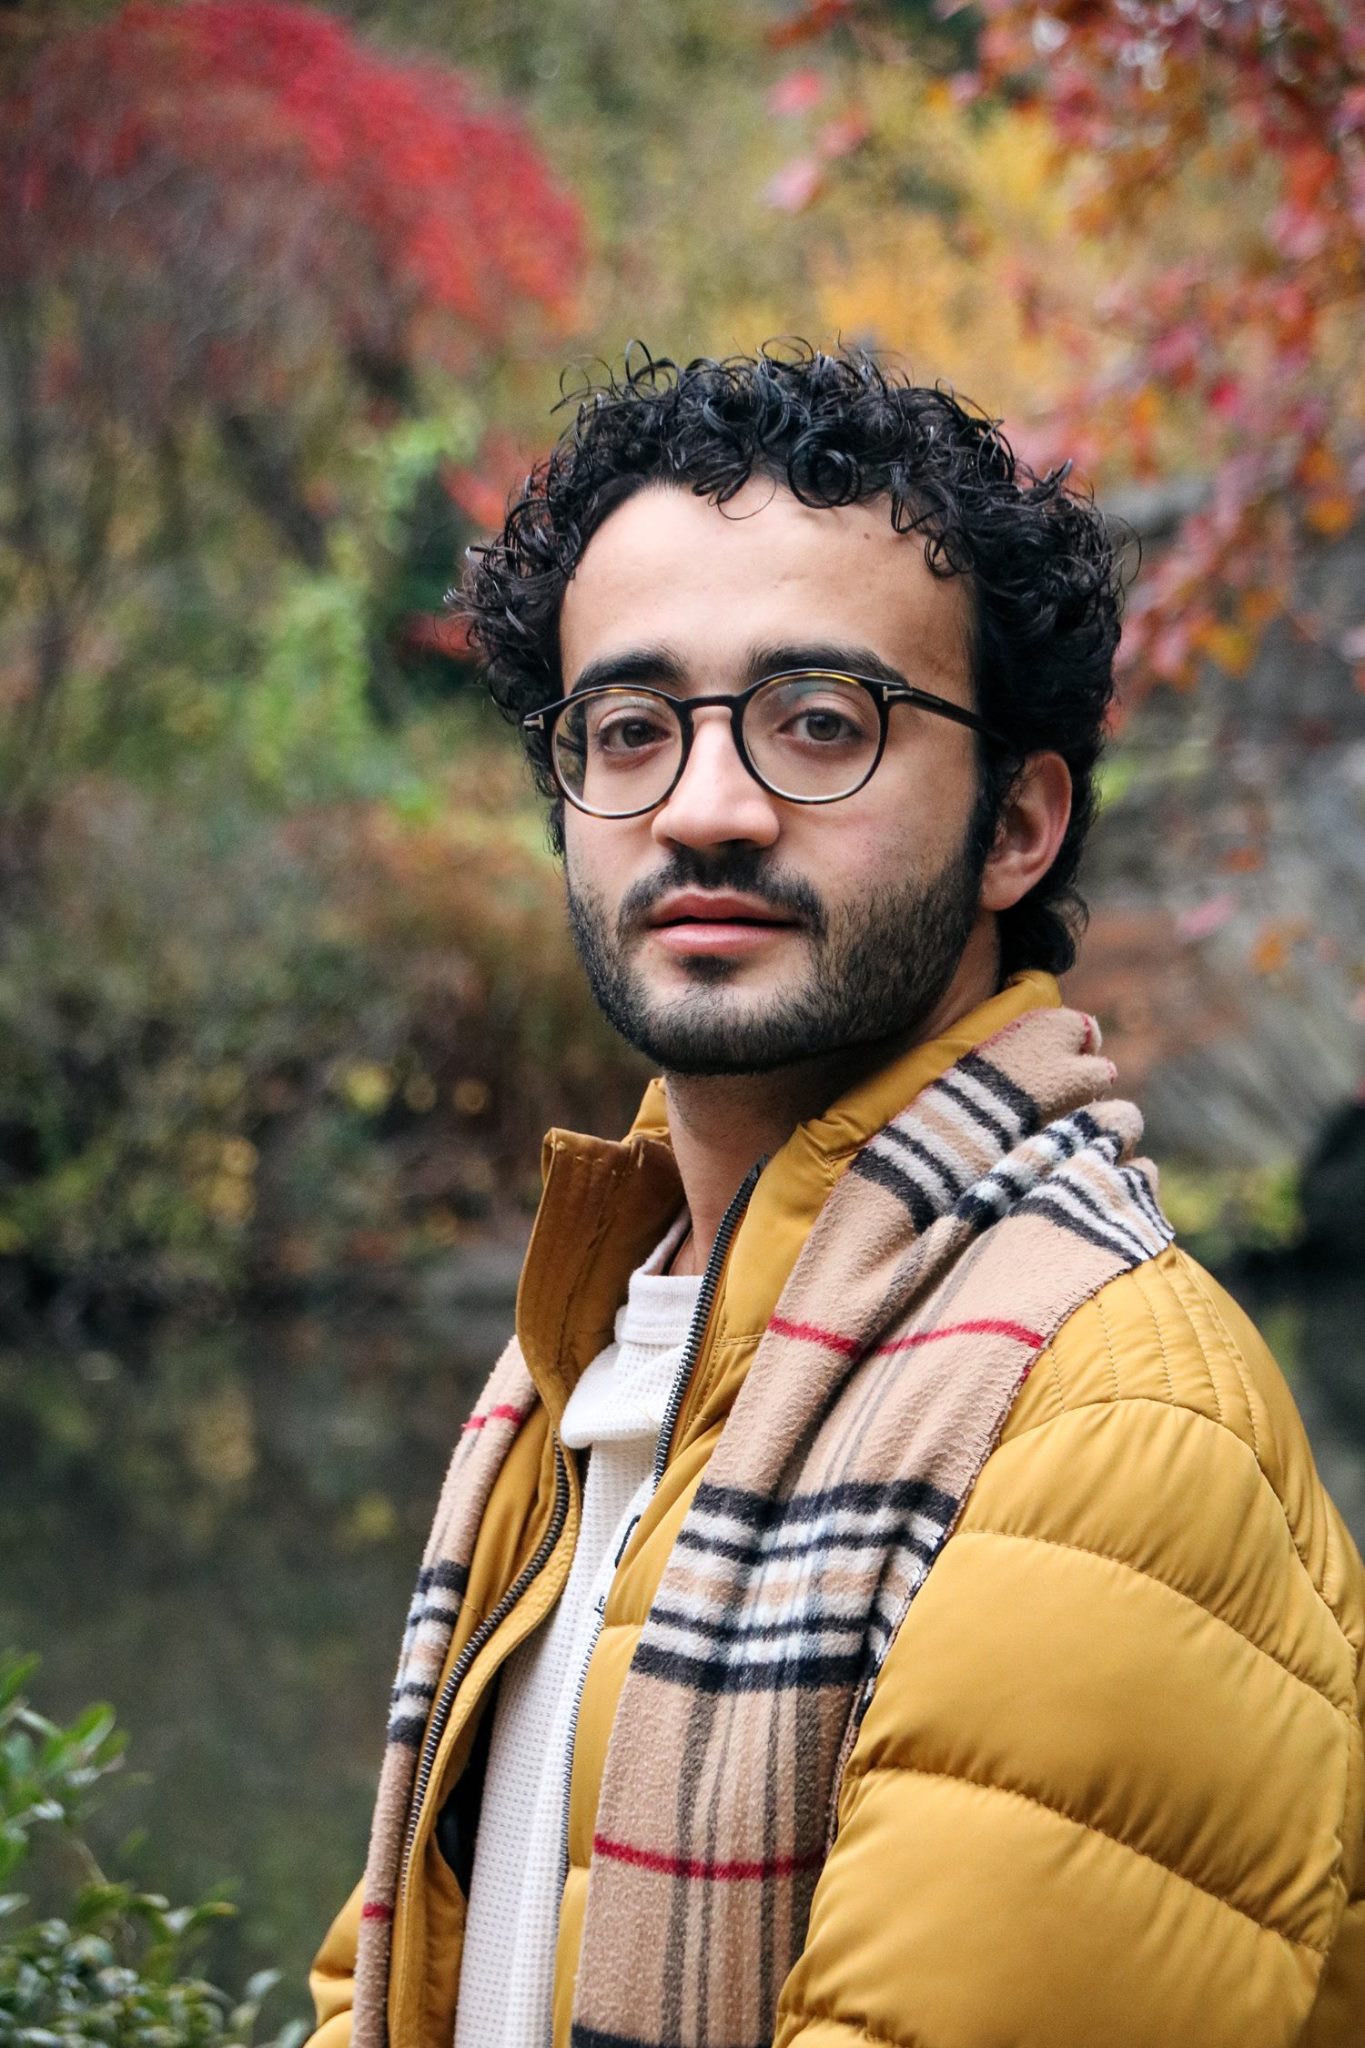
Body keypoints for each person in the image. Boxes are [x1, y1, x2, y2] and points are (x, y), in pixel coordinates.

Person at [309, 347, 1365, 2048]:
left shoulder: (1108, 1419)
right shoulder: (580, 1372)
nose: (707, 810)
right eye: (631, 730)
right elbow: (389, 1976)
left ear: (1015, 827)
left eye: (819, 723)